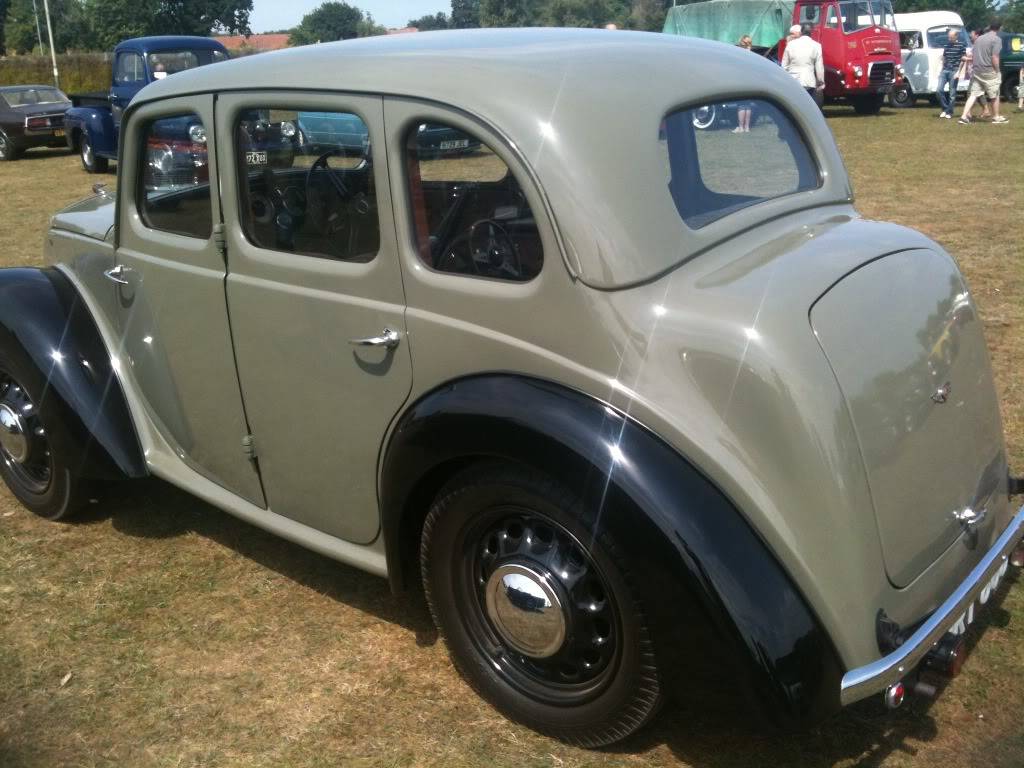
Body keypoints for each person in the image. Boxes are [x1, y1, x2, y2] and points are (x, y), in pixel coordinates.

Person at [959, 21, 1007, 124]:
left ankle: (963, 116)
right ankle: (996, 117)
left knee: (973, 94)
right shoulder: (996, 39)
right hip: (989, 71)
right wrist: (998, 71)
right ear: (999, 28)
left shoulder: (979, 39)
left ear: (989, 27)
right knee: (995, 94)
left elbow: (974, 55)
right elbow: (995, 57)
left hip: (977, 71)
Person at [782, 24, 824, 109]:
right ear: (811, 32)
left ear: (801, 32)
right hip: (809, 81)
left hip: (792, 80)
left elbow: (784, 65)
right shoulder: (817, 45)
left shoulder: (790, 44)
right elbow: (819, 66)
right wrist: (820, 81)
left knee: (793, 107)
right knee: (808, 107)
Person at [937, 28, 966, 119]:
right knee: (939, 90)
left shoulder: (961, 45)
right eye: (949, 37)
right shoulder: (947, 45)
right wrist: (941, 69)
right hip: (945, 70)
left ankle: (949, 112)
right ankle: (945, 109)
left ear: (956, 36)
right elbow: (944, 58)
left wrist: (958, 72)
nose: (949, 39)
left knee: (952, 93)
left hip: (954, 70)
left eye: (951, 37)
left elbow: (963, 60)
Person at [735, 36, 755, 132]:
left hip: (741, 79)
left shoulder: (739, 54)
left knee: (741, 105)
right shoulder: (752, 54)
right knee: (748, 105)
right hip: (750, 80)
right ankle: (747, 127)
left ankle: (740, 127)